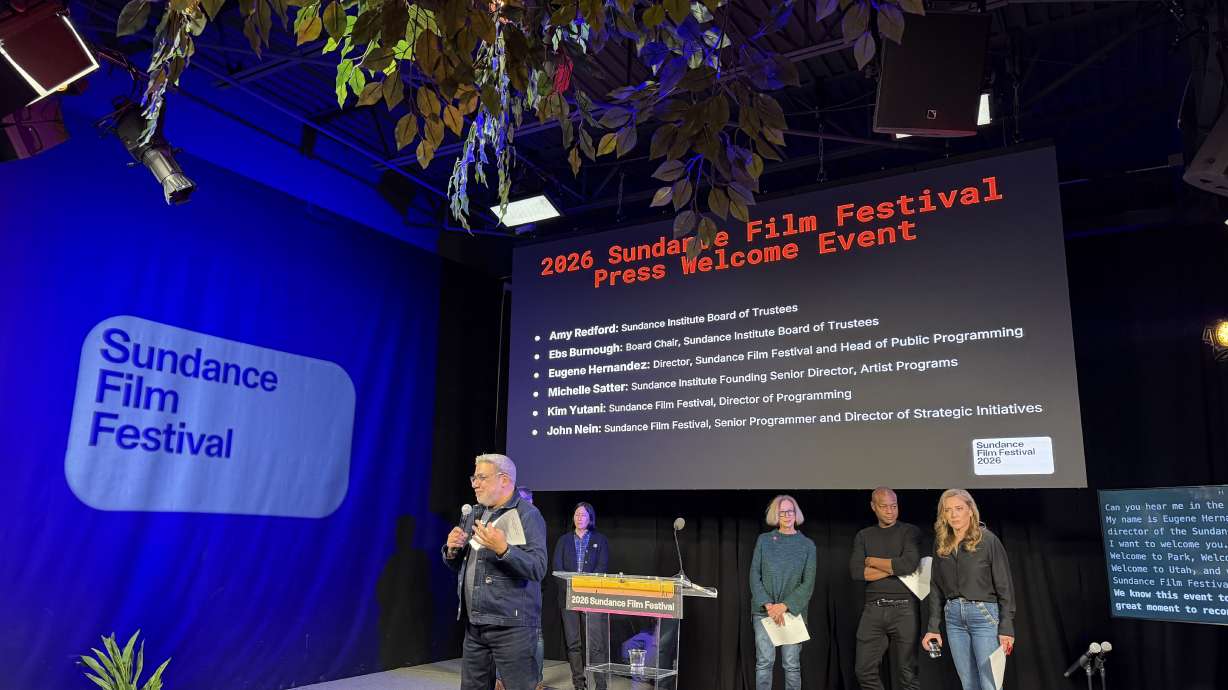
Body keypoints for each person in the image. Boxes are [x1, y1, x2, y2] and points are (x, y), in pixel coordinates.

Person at [443, 454, 548, 690]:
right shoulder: (474, 513)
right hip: (475, 624)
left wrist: (504, 549)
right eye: (474, 478)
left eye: (482, 477)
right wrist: (452, 550)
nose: (475, 484)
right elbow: (465, 564)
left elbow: (538, 567)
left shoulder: (527, 515)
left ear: (504, 480)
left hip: (512, 627)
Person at [921, 489, 1016, 690]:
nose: (954, 515)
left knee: (990, 684)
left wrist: (1006, 627)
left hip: (984, 616)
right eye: (948, 510)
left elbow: (1005, 586)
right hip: (954, 618)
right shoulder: (941, 543)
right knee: (969, 684)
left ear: (970, 510)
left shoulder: (988, 540)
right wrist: (933, 627)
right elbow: (935, 586)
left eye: (959, 508)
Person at [850, 487, 922, 690]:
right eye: (884, 506)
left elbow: (909, 565)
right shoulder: (864, 535)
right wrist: (894, 567)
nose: (890, 511)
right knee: (864, 671)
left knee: (907, 673)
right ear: (873, 507)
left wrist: (872, 561)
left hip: (904, 608)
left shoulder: (909, 531)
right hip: (873, 609)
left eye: (894, 506)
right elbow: (857, 572)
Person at [750, 495, 816, 690]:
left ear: (796, 514)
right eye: (782, 512)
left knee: (792, 665)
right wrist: (769, 605)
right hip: (764, 612)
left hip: (792, 613)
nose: (787, 515)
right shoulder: (764, 541)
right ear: (776, 515)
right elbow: (754, 574)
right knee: (764, 663)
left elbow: (808, 583)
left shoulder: (807, 545)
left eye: (790, 511)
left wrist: (784, 606)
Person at [553, 502, 609, 690]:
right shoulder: (563, 540)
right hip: (568, 598)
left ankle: (600, 685)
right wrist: (572, 591)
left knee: (596, 645)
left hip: (591, 598)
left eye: (583, 515)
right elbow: (557, 569)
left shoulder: (600, 540)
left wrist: (585, 591)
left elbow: (602, 567)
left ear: (590, 518)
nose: (579, 518)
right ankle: (579, 683)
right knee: (573, 643)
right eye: (577, 514)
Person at [495, 487, 547, 690]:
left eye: (525, 500)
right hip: (507, 590)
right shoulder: (505, 523)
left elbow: (537, 562)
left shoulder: (533, 520)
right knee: (502, 636)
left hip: (530, 588)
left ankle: (536, 681)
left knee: (536, 637)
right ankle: (500, 680)